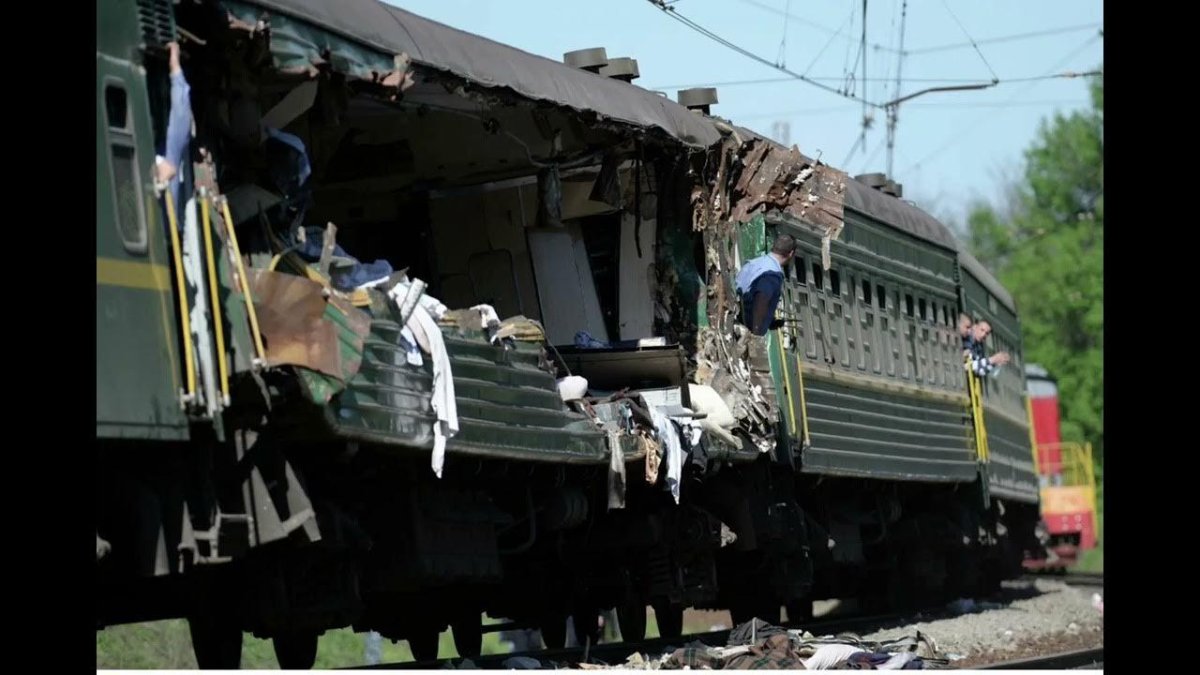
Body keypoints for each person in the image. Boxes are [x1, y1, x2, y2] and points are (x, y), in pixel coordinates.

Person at [735, 234, 796, 336]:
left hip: (735, 320)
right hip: (744, 331)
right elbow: (762, 297)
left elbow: (748, 293)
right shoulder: (772, 274)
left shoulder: (755, 263)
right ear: (791, 253)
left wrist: (770, 322)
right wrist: (756, 333)